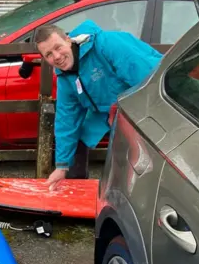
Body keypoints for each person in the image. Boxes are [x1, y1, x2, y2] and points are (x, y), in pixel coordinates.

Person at [33, 21, 163, 190]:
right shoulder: (65, 77)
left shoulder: (107, 44)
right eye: (48, 54)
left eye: (58, 47)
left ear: (68, 40)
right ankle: (74, 188)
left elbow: (148, 80)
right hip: (104, 110)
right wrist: (61, 166)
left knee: (129, 150)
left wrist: (122, 111)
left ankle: (133, 190)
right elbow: (67, 119)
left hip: (144, 97)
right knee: (78, 141)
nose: (56, 57)